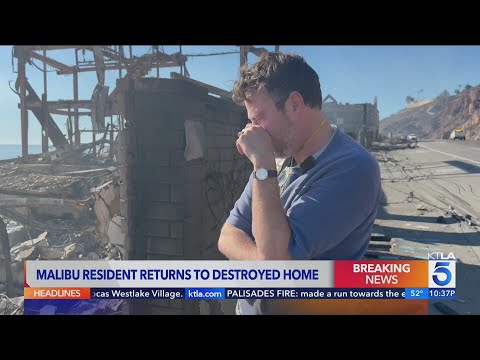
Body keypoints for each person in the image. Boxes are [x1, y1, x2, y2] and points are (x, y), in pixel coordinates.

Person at [218, 52, 382, 315]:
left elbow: (277, 265)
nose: (251, 131)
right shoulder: (278, 161)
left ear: (294, 104)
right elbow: (227, 236)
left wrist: (262, 163)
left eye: (258, 118)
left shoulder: (353, 169)